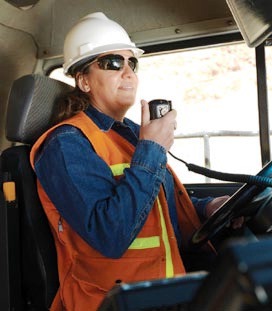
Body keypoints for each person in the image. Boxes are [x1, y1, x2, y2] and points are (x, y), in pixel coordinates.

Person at [29, 12, 230, 311]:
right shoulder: (66, 145)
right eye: (112, 63)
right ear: (83, 80)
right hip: (112, 303)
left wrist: (206, 208)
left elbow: (158, 203)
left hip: (162, 291)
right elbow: (110, 235)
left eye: (131, 63)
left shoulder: (133, 134)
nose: (128, 73)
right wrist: (152, 149)